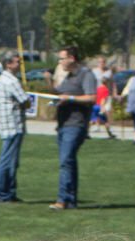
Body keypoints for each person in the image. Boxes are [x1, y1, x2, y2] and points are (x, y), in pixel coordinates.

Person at [50, 46, 97, 210]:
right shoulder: (68, 77)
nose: (60, 62)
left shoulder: (86, 74)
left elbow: (91, 97)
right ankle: (71, 200)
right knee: (68, 162)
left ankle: (62, 200)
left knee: (65, 161)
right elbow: (60, 93)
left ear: (72, 58)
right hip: (63, 124)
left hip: (75, 124)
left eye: (62, 58)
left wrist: (69, 98)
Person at [0, 50, 29, 204]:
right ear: (8, 64)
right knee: (8, 161)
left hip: (6, 124)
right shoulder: (12, 81)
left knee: (11, 161)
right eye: (16, 62)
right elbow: (26, 101)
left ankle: (9, 192)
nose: (19, 64)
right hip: (14, 125)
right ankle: (2, 192)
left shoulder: (1, 79)